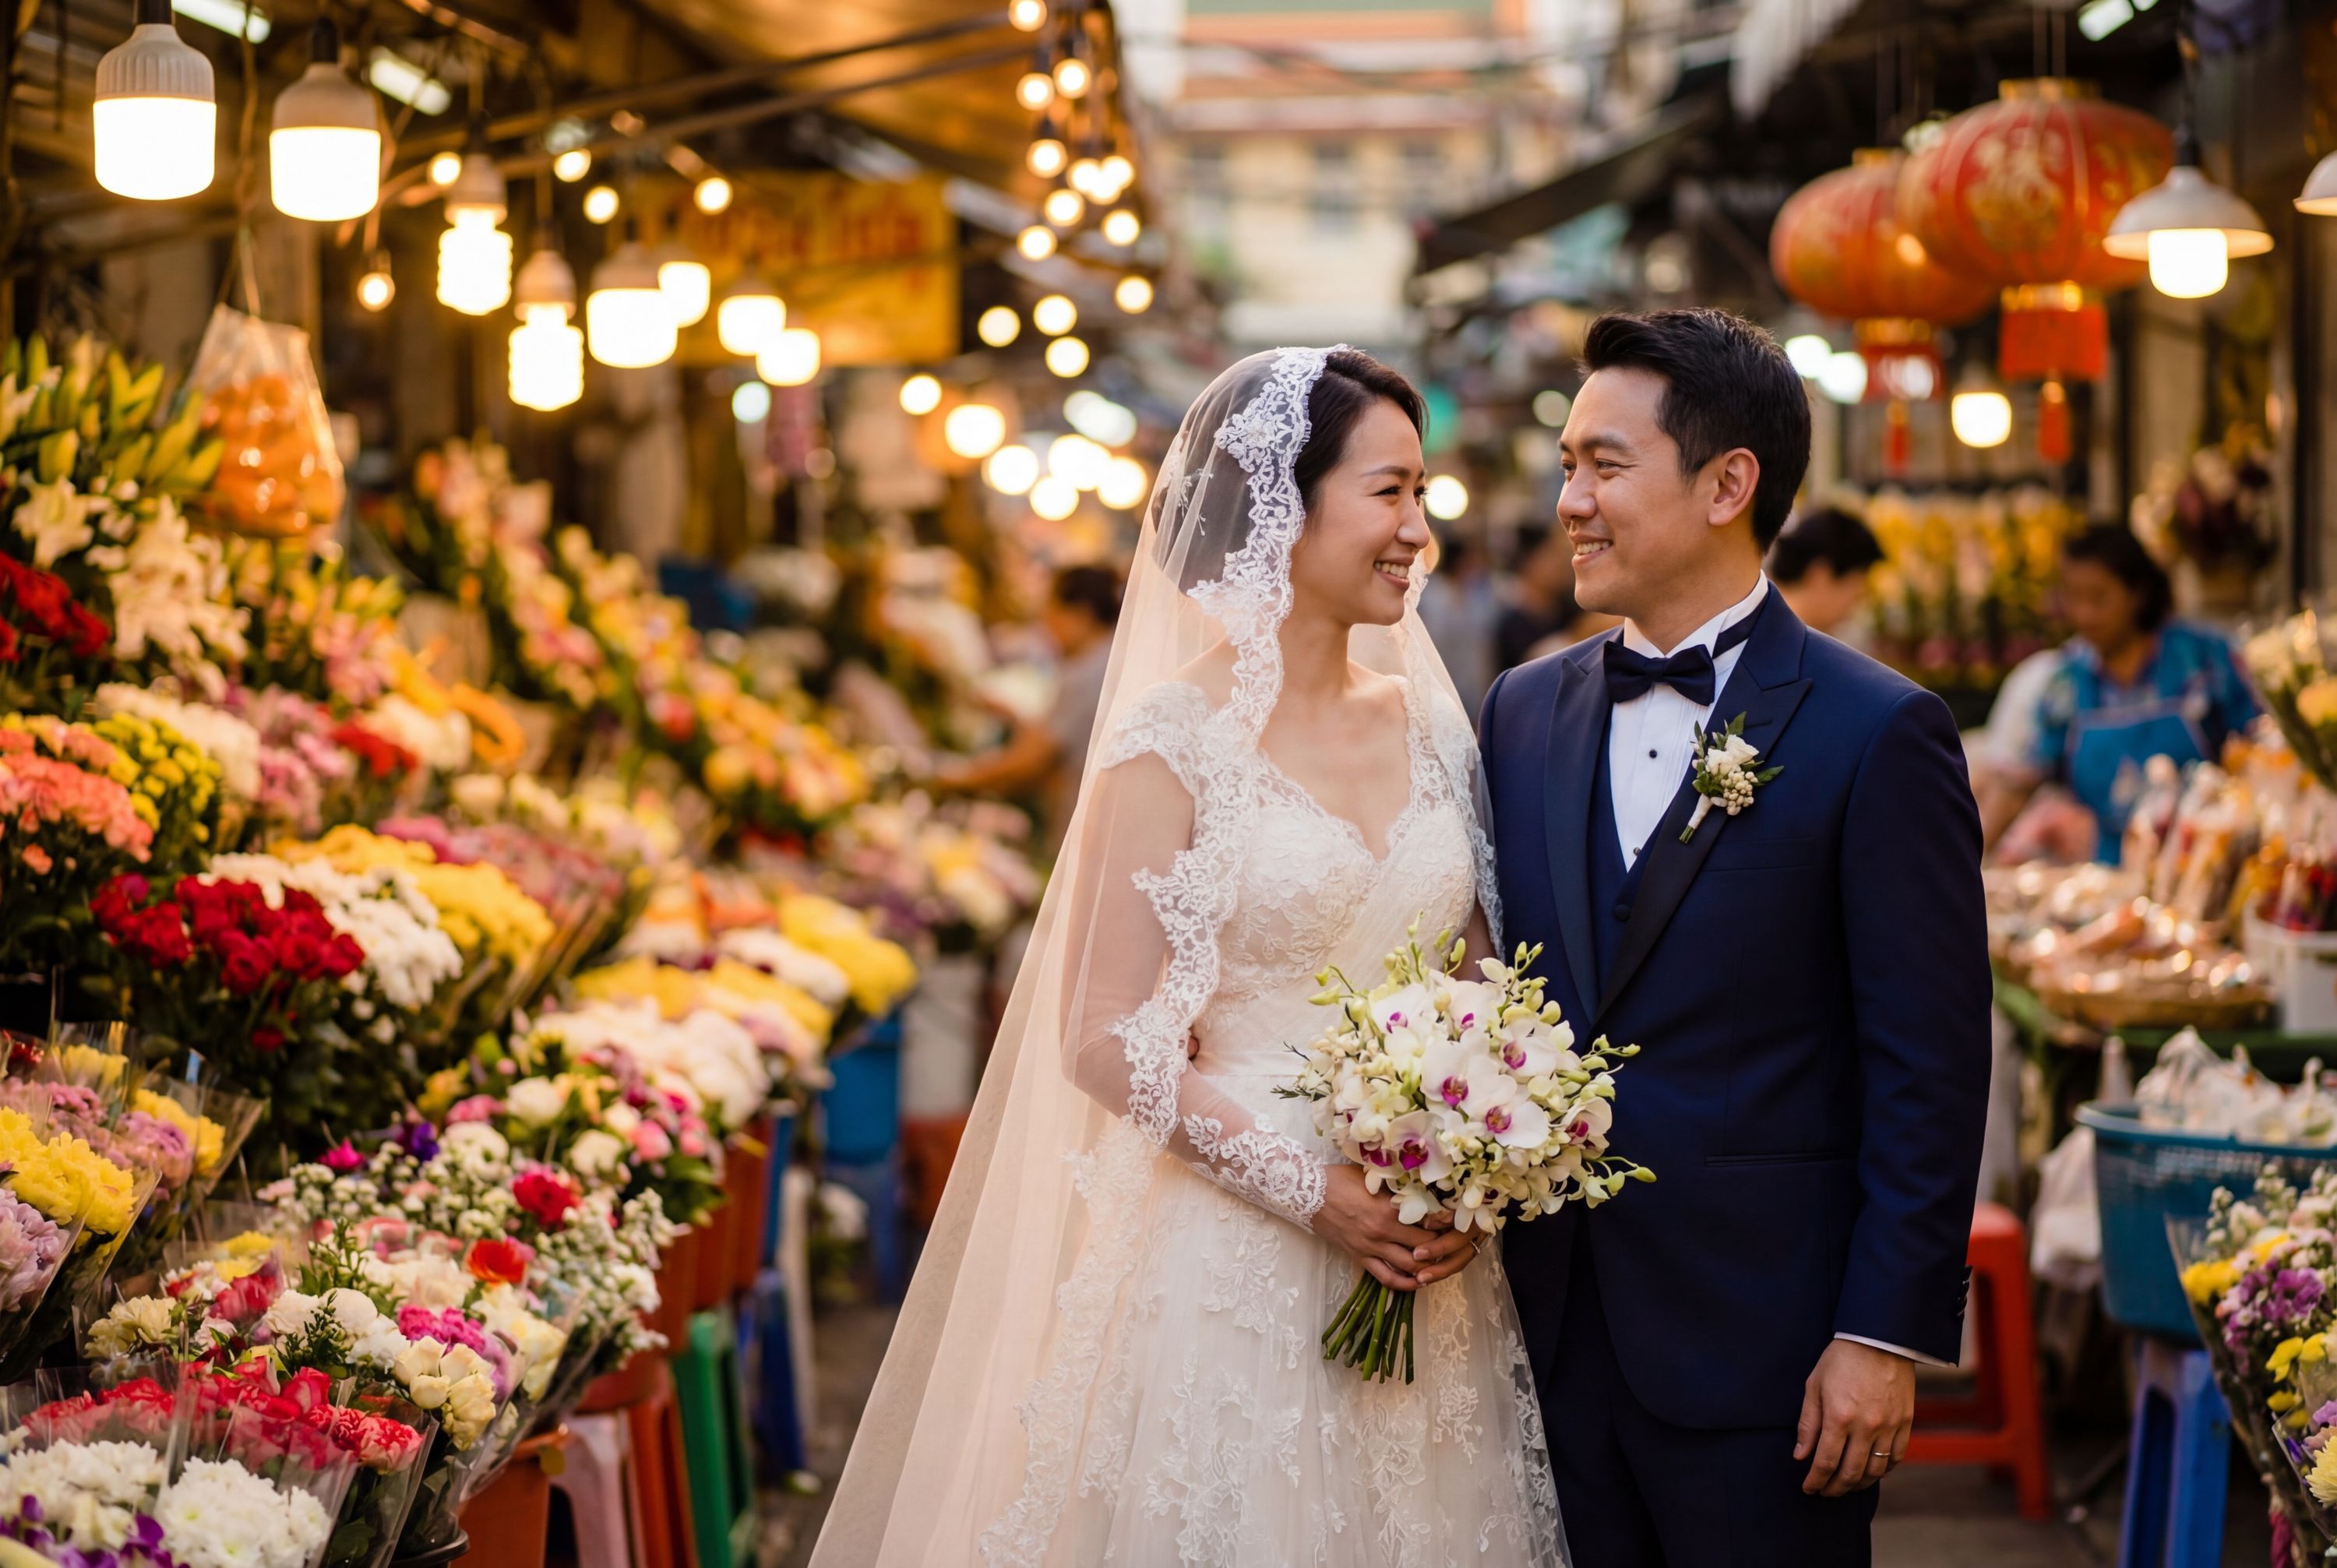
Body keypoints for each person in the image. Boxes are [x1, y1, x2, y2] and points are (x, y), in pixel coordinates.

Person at [812, 349, 1563, 1566]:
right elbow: (1104, 1034)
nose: (1418, 531)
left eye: (1422, 495)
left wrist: (1478, 1151)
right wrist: (1315, 1190)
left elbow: (1479, 971)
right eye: (1390, 493)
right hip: (1237, 1249)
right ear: (1284, 502)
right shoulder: (1172, 740)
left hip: (1425, 1256)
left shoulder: (1434, 722)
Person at [1479, 308, 1990, 1566]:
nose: (1571, 502)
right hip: (1536, 1338)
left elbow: (1929, 1061)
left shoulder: (1879, 731)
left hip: (1770, 1352)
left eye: (1604, 464)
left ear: (1728, 483)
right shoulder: (1519, 713)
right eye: (1567, 466)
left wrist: (1882, 1333)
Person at [1977, 524, 2259, 858]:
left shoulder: (2204, 660)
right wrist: (1969, 860)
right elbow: (2017, 783)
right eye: (2073, 597)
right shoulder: (2066, 682)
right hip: (2100, 870)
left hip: (2201, 862)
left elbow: (2256, 757)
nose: (2084, 614)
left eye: (2099, 598)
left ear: (2137, 593)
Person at [932, 564, 1121, 851]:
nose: (1046, 622)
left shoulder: (1091, 672)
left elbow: (1031, 761)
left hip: (1088, 829)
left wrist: (954, 779)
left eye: (1052, 609)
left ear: (1081, 614)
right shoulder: (1108, 659)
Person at [1768, 506, 1884, 636]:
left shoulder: (1760, 620)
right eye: (1856, 596)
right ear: (1822, 575)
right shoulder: (1785, 638)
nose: (1852, 609)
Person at [1496, 520, 1581, 670]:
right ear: (1529, 562)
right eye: (1552, 555)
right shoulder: (1511, 627)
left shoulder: (1573, 612)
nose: (1562, 563)